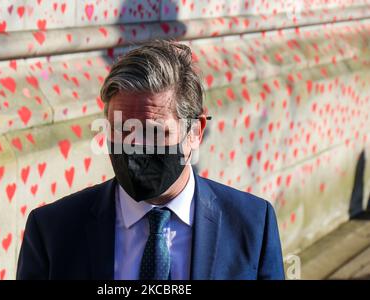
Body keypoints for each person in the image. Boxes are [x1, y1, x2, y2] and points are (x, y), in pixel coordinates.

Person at [16, 39, 285, 280]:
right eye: (122, 129)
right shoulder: (53, 231)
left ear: (195, 132)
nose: (134, 146)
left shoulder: (252, 225)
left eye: (153, 131)